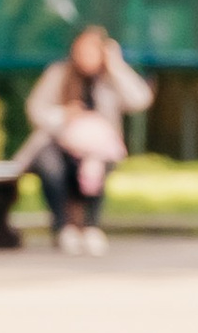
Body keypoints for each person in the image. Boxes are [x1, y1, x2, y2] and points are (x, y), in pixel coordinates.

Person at [22, 27, 150, 253]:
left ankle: (91, 226)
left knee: (98, 162)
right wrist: (64, 115)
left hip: (95, 149)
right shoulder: (59, 73)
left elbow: (140, 99)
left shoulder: (109, 79)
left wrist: (116, 65)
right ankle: (64, 227)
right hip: (59, 143)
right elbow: (36, 109)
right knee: (50, 164)